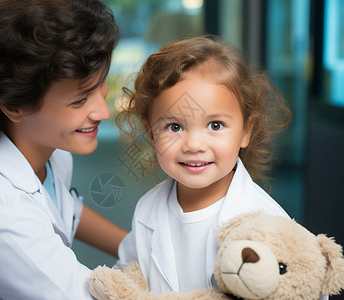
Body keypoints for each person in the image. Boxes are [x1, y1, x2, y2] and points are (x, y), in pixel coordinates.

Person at [0, 0, 127, 299]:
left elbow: (64, 209)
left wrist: (139, 247)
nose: (103, 111)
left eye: (101, 85)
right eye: (80, 100)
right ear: (14, 105)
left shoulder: (46, 149)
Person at [114, 35, 296, 294]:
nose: (194, 144)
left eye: (215, 125)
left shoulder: (268, 222)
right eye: (174, 127)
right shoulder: (146, 211)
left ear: (246, 131)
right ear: (152, 135)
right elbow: (128, 279)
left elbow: (302, 288)